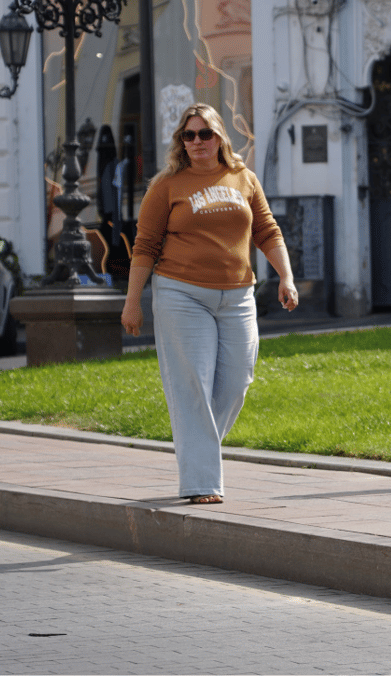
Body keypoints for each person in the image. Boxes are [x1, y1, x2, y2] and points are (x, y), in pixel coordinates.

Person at [121, 103, 298, 505]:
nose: (198, 141)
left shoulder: (243, 177)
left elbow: (267, 230)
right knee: (192, 385)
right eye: (189, 135)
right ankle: (201, 483)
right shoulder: (166, 186)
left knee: (238, 381)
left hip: (238, 295)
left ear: (220, 137)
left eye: (205, 134)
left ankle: (197, 450)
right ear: (180, 142)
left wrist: (285, 277)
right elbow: (145, 246)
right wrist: (133, 302)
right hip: (181, 293)